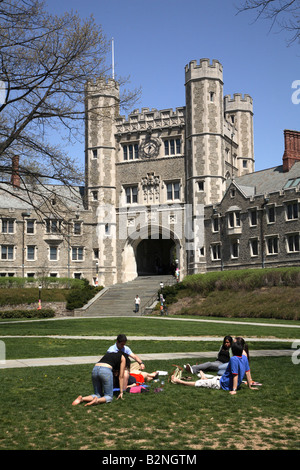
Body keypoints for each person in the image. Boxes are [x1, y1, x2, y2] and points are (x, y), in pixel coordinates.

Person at [171, 342, 258, 394]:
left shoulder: (234, 359)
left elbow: (235, 375)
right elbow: (248, 372)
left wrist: (234, 390)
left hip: (223, 384)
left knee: (199, 383)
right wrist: (250, 386)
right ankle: (203, 376)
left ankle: (179, 381)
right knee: (212, 379)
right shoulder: (244, 358)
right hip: (223, 379)